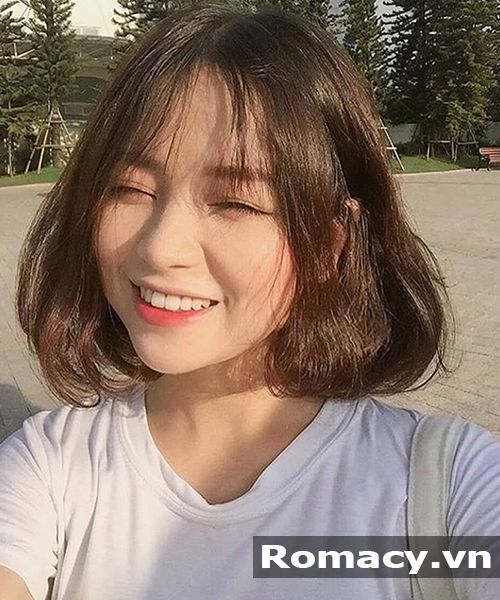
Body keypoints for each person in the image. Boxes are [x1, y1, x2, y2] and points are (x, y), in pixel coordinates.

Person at [1, 3, 499, 599]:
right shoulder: (50, 469)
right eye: (130, 189)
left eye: (236, 203)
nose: (160, 248)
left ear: (327, 245)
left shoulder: (444, 486)